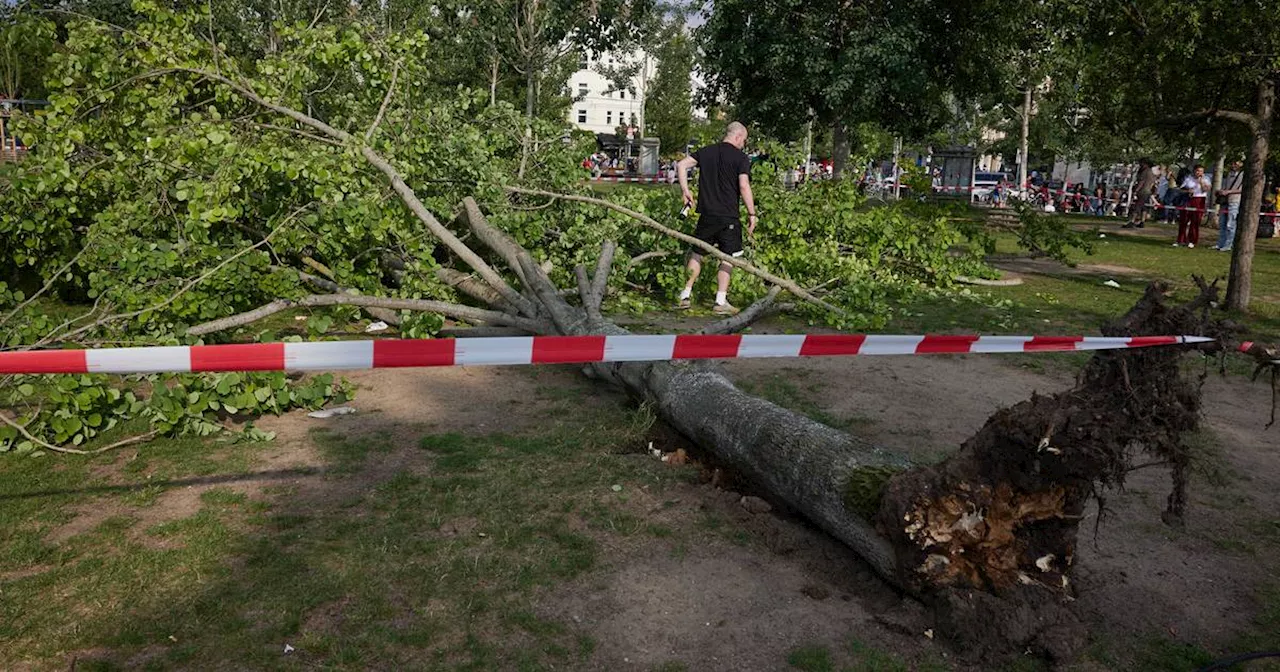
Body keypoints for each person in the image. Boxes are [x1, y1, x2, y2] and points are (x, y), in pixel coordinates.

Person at [675, 121, 758, 315]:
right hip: (728, 216)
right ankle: (720, 302)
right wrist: (752, 213)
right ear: (738, 137)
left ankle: (684, 295)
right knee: (727, 257)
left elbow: (681, 165)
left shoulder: (706, 151)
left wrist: (685, 191)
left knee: (698, 253)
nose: (743, 144)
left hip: (706, 214)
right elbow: (744, 186)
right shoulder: (741, 158)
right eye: (743, 140)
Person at [1175, 165, 1209, 247]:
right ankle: (1181, 239)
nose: (1199, 173)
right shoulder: (1188, 178)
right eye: (1197, 171)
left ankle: (1192, 240)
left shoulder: (1206, 179)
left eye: (1201, 171)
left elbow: (1206, 189)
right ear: (1194, 171)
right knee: (1184, 219)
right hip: (1188, 199)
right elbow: (1181, 189)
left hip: (1199, 199)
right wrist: (1188, 191)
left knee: (1195, 221)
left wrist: (1201, 182)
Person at [1215, 159, 1245, 251]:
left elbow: (1243, 189)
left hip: (1234, 201)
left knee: (1231, 224)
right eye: (1232, 163)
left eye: (1236, 163)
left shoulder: (1243, 175)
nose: (1233, 165)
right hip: (1225, 201)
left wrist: (1229, 191)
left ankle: (1229, 244)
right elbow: (1226, 186)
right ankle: (1220, 243)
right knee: (1222, 223)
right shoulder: (1229, 174)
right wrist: (1221, 191)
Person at [1125, 158, 1157, 228]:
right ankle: (1142, 221)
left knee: (1137, 206)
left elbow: (1141, 182)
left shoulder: (1145, 171)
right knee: (1144, 207)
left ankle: (1132, 221)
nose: (1140, 164)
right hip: (1148, 191)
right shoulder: (1151, 172)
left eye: (1141, 163)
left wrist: (1136, 190)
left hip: (1143, 191)